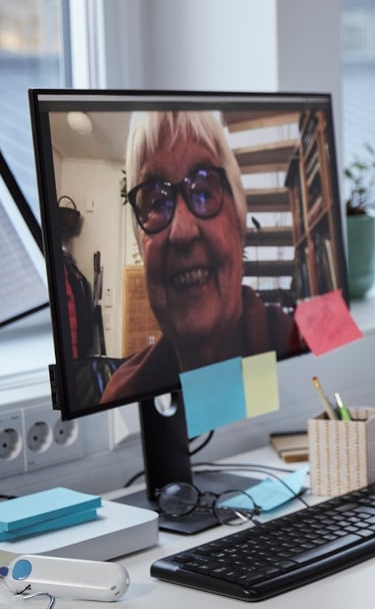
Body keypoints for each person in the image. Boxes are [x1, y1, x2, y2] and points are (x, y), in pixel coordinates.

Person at [100, 110, 304, 404]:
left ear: (239, 222)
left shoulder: (300, 346)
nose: (182, 231)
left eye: (205, 191)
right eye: (157, 200)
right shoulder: (124, 399)